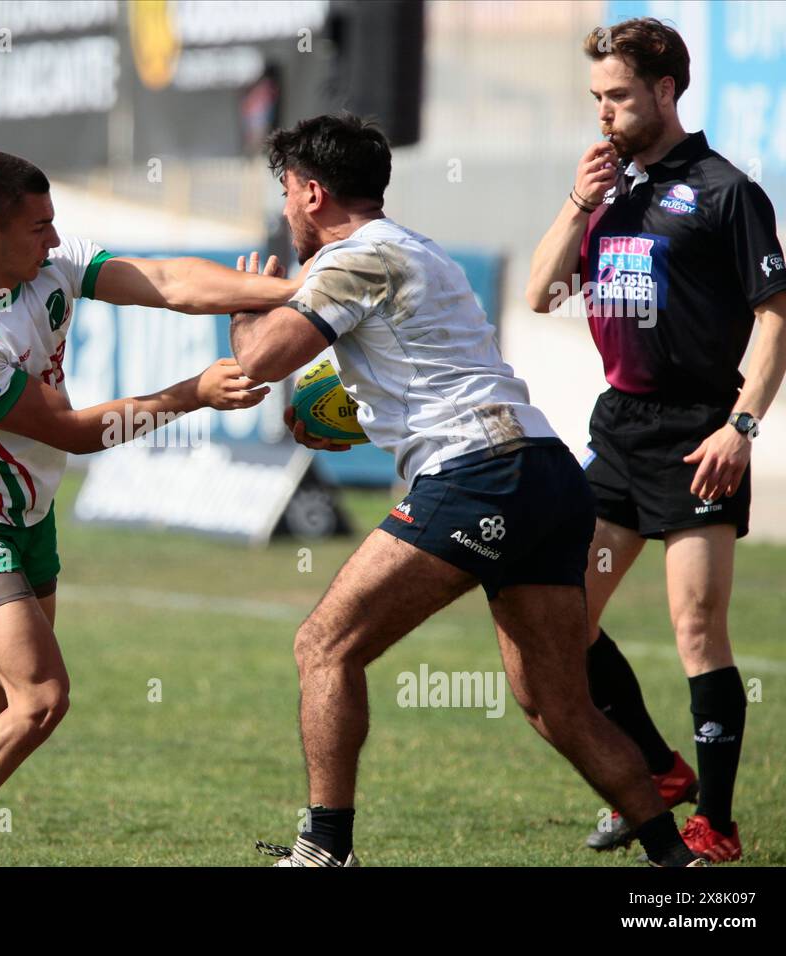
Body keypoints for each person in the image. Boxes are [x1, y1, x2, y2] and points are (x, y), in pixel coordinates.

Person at [231, 112, 700, 867]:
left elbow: (256, 361)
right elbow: (434, 371)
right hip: (544, 468)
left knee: (324, 645)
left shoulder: (351, 260)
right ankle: (673, 861)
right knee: (559, 706)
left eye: (287, 190)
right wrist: (352, 416)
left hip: (479, 474)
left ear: (313, 193)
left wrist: (246, 300)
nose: (286, 207)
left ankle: (324, 850)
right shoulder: (415, 248)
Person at [0, 150, 297, 833]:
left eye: (53, 223)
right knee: (41, 698)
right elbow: (72, 433)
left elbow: (165, 280)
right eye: (38, 226)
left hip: (29, 513)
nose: (53, 238)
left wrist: (292, 294)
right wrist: (191, 394)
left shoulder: (49, 264)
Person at [526, 17, 786, 862]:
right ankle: (656, 771)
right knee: (561, 621)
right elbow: (541, 293)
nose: (603, 112)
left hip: (699, 436)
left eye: (617, 96)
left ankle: (714, 823)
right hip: (621, 431)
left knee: (695, 628)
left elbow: (777, 318)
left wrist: (741, 427)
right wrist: (579, 200)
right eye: (595, 97)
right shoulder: (609, 189)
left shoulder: (724, 191)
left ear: (666, 91)